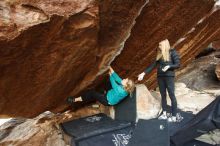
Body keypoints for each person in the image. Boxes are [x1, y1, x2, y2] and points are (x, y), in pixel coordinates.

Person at [138, 39, 182, 122]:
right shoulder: (159, 54)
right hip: (160, 77)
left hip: (169, 77)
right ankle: (164, 114)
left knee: (172, 95)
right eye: (159, 45)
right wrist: (143, 73)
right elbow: (152, 65)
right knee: (163, 95)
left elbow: (178, 64)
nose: (159, 46)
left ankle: (174, 116)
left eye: (160, 45)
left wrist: (169, 66)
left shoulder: (172, 52)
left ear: (165, 45)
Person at [67, 67, 135, 110]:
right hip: (110, 93)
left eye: (126, 80)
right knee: (106, 84)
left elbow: (113, 81)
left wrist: (110, 73)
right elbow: (117, 78)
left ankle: (74, 100)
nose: (125, 78)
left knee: (92, 93)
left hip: (107, 100)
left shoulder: (120, 90)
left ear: (126, 85)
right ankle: (100, 94)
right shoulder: (125, 88)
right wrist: (110, 67)